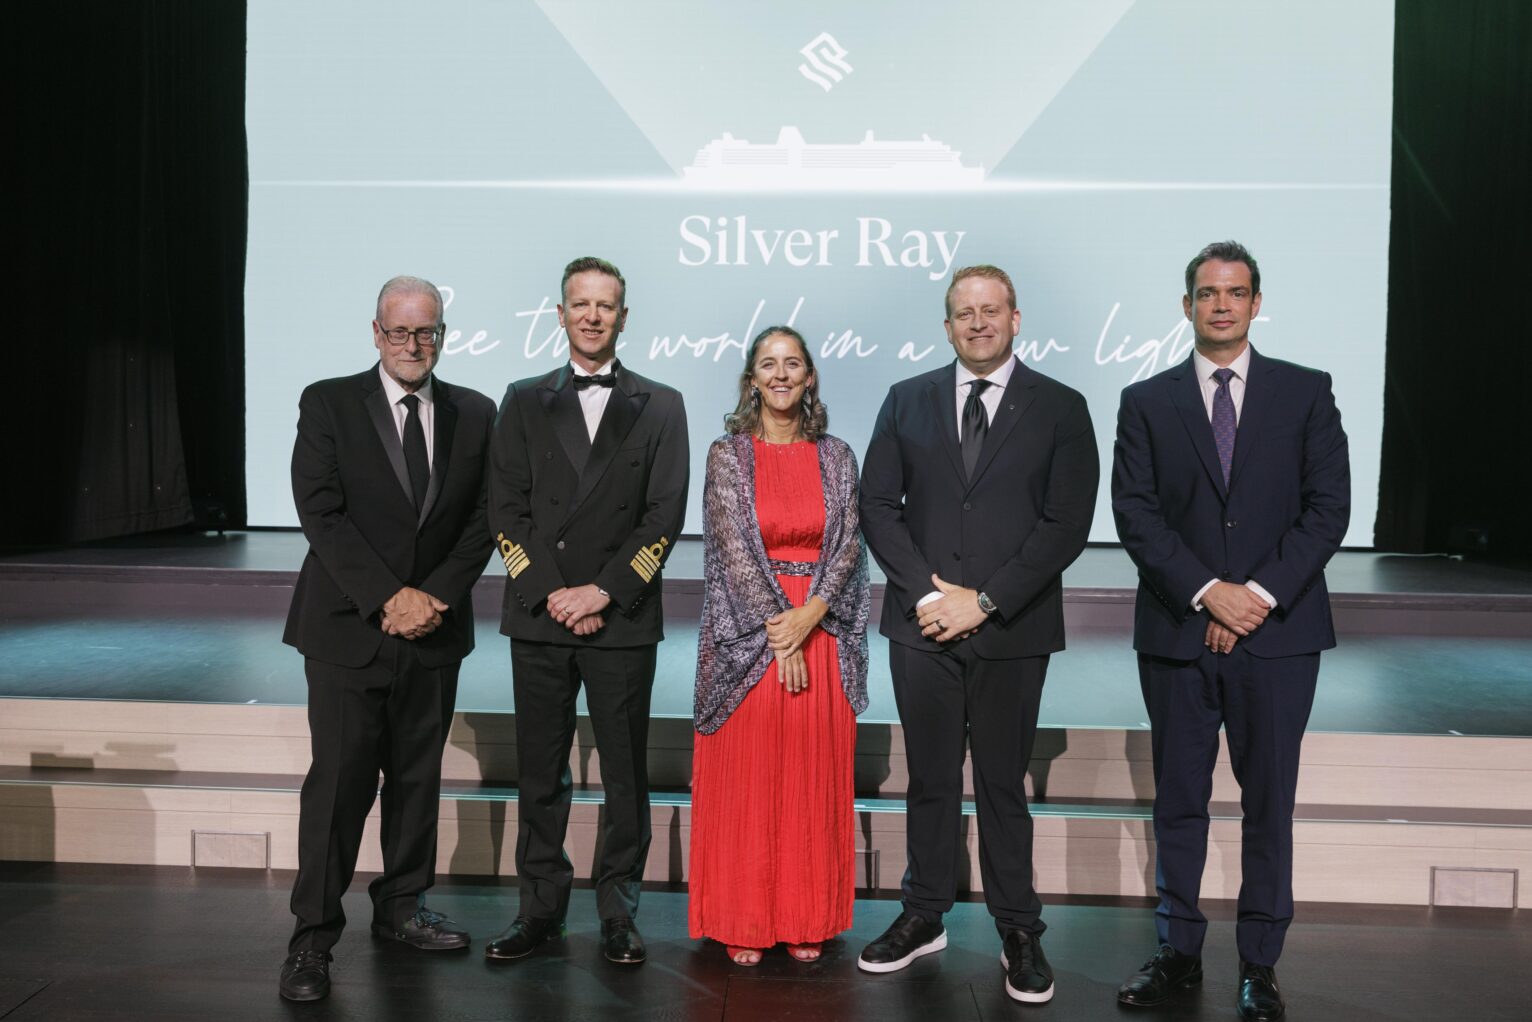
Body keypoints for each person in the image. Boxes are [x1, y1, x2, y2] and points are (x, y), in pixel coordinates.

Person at [1111, 241, 1349, 1021]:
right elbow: (1137, 517)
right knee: (1179, 799)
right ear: (1187, 306)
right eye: (1207, 293)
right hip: (1180, 634)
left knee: (1267, 803)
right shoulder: (1146, 401)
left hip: (1278, 638)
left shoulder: (1306, 393)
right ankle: (1178, 953)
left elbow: (1327, 510)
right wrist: (1211, 594)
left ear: (1255, 303)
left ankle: (1259, 963)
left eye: (1236, 292)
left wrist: (1257, 596)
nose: (1221, 305)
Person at [857, 265, 1099, 1003]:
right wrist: (933, 595)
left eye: (991, 311)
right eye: (965, 312)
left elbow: (1067, 524)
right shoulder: (907, 400)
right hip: (922, 623)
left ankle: (1018, 929)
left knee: (1001, 782)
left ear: (1016, 318)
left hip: (1013, 627)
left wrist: (985, 601)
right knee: (929, 777)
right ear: (947, 324)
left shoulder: (1061, 406)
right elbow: (877, 505)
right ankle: (923, 914)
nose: (979, 322)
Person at [279, 276, 496, 1002]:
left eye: (426, 332)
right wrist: (387, 597)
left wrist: (431, 597)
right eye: (399, 332)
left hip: (433, 631)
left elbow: (481, 522)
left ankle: (402, 907)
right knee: (338, 788)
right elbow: (320, 510)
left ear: (443, 333)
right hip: (347, 631)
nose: (413, 345)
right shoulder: (329, 401)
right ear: (375, 332)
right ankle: (312, 940)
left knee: (415, 782)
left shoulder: (475, 411)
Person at [483, 256, 689, 966]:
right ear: (562, 313)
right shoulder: (521, 398)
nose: (593, 316)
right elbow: (502, 509)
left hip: (620, 616)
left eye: (606, 305)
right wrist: (551, 592)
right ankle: (539, 911)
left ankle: (618, 913)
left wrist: (604, 589)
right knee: (541, 773)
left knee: (625, 776)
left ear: (623, 317)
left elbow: (664, 514)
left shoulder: (661, 404)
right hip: (541, 616)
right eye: (581, 304)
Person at [689, 326, 871, 966]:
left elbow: (849, 545)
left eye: (793, 363)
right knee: (752, 781)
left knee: (808, 782)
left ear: (811, 376)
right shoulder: (726, 455)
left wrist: (811, 616)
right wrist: (781, 632)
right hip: (751, 646)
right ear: (752, 380)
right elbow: (733, 553)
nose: (782, 374)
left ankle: (805, 914)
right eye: (768, 364)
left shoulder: (839, 456)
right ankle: (742, 915)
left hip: (821, 638)